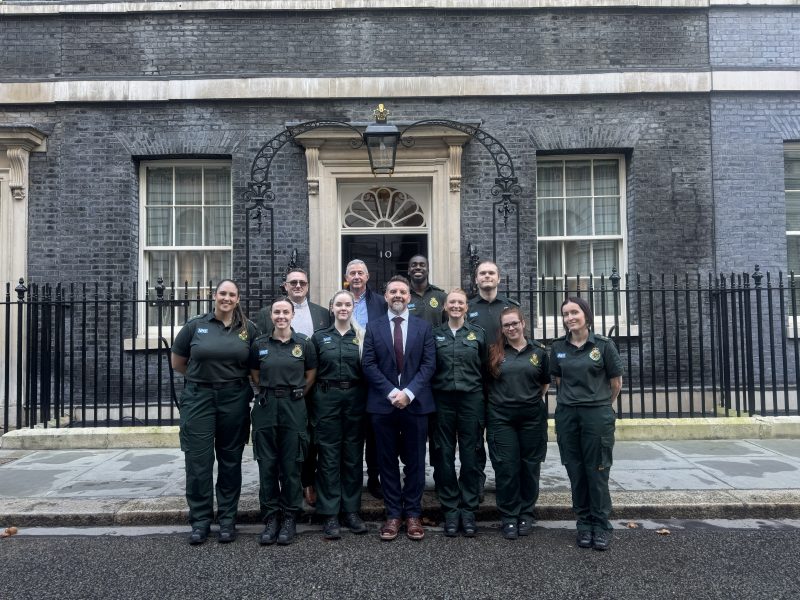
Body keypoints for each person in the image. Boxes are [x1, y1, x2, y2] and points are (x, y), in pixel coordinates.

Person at [170, 279, 258, 545]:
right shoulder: (195, 326)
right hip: (199, 398)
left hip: (235, 398)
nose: (227, 298)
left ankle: (228, 519)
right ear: (214, 295)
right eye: (223, 293)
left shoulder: (249, 329)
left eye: (232, 294)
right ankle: (200, 521)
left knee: (230, 460)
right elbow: (178, 362)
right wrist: (204, 381)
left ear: (238, 299)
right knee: (198, 461)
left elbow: (255, 364)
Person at [362, 275, 436, 541]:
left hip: (415, 405)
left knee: (415, 461)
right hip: (383, 405)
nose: (397, 295)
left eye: (402, 292)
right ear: (386, 296)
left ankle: (414, 514)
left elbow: (429, 365)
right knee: (387, 462)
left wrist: (409, 393)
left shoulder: (423, 327)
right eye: (392, 291)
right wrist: (393, 392)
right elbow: (368, 365)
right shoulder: (373, 327)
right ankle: (393, 514)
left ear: (409, 297)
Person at [254, 268, 331, 510]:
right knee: (285, 442)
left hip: (311, 386)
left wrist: (305, 388)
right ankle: (289, 487)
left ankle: (308, 482)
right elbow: (256, 358)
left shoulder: (322, 313)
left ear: (308, 286)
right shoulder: (267, 314)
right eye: (293, 282)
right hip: (280, 390)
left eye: (302, 282)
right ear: (285, 286)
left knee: (308, 439)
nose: (298, 286)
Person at [550, 296, 623, 551]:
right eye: (566, 314)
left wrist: (600, 403)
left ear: (586, 315)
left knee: (598, 470)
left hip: (597, 415)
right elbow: (559, 381)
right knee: (576, 470)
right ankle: (583, 524)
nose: (570, 317)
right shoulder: (558, 347)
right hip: (568, 415)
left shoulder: (603, 346)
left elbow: (616, 384)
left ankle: (601, 525)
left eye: (575, 312)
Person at [249, 297, 317, 546]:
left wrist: (297, 392)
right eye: (277, 312)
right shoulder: (259, 344)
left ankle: (289, 517)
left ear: (292, 315)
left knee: (291, 464)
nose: (281, 316)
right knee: (267, 464)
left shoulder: (304, 344)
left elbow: (311, 374)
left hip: (293, 407)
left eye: (285, 312)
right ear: (271, 315)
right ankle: (271, 518)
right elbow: (255, 374)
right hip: (266, 406)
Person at [486, 306, 550, 540]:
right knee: (506, 467)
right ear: (502, 329)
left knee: (530, 466)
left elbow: (544, 383)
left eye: (515, 323)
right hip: (501, 418)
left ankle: (526, 512)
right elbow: (487, 385)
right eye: (506, 325)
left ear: (523, 323)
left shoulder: (539, 352)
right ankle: (509, 515)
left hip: (532, 417)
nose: (511, 328)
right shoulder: (494, 352)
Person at [311, 290, 369, 539]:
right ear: (331, 308)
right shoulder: (319, 338)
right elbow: (311, 373)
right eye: (339, 304)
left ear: (353, 307)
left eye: (348, 304)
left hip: (355, 399)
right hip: (327, 400)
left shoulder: (362, 337)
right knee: (329, 456)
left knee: (353, 456)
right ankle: (330, 513)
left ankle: (351, 510)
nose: (343, 308)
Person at [430, 288, 487, 537]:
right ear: (445, 307)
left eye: (460, 302)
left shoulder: (478, 335)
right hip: (442, 400)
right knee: (443, 454)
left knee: (471, 453)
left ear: (466, 307)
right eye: (451, 302)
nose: (455, 306)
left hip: (471, 399)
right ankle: (450, 509)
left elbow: (486, 369)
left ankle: (468, 509)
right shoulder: (434, 335)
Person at [467, 260, 520, 496]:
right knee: (475, 436)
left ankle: (504, 481)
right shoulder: (468, 307)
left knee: (500, 436)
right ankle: (476, 481)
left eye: (491, 273)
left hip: (503, 382)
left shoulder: (510, 307)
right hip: (476, 381)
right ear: (475, 279)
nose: (487, 276)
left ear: (499, 279)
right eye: (482, 273)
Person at [344, 258, 387, 499]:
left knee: (374, 430)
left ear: (367, 277)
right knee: (351, 430)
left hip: (373, 375)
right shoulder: (339, 301)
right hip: (347, 373)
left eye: (361, 272)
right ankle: (349, 477)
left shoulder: (380, 303)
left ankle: (374, 476)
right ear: (347, 277)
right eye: (353, 273)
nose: (357, 277)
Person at [407, 254, 446, 327]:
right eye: (414, 265)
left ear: (428, 271)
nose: (418, 267)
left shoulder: (441, 296)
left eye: (422, 265)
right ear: (409, 271)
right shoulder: (403, 296)